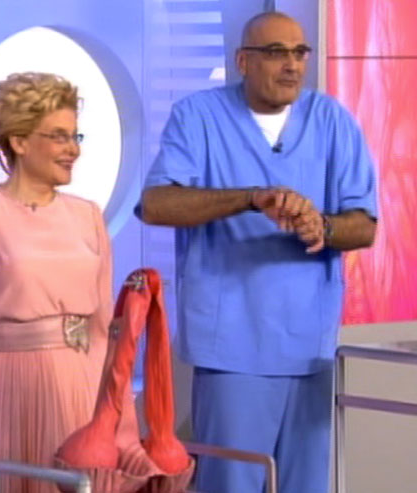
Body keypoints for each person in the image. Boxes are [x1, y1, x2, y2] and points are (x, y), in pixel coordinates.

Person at [140, 12, 377, 493]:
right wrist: (251, 198)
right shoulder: (198, 117)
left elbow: (365, 225)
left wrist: (323, 226)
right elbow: (156, 204)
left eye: (299, 53)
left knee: (306, 485)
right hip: (233, 348)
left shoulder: (331, 121)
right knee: (233, 482)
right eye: (276, 53)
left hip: (309, 347)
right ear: (243, 61)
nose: (292, 65)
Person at [0, 72, 150, 492]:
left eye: (75, 136)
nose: (73, 149)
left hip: (80, 391)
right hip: (4, 392)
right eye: (58, 137)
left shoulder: (88, 215)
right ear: (19, 141)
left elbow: (103, 328)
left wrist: (120, 418)